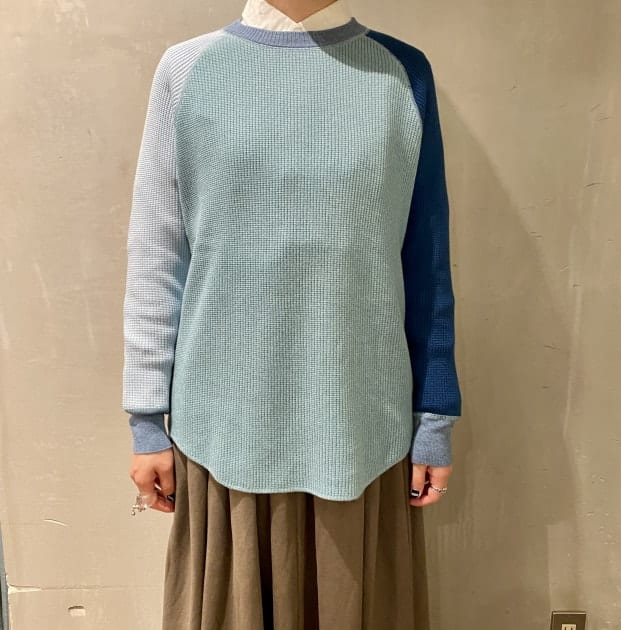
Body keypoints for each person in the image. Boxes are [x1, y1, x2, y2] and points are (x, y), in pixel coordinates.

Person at [123, 0, 463, 627]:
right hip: (226, 426)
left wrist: (434, 417)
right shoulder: (187, 69)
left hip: (359, 424)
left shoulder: (402, 73)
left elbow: (426, 259)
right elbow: (158, 253)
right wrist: (146, 420)